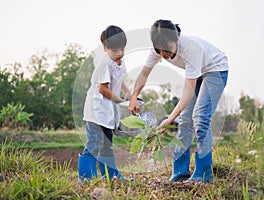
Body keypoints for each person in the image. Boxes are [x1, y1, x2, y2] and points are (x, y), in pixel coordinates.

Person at [129, 19, 228, 183]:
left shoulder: (190, 49)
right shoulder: (159, 48)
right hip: (198, 72)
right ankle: (180, 173)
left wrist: (170, 119)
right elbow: (144, 73)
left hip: (215, 70)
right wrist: (134, 96)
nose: (164, 54)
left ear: (176, 39)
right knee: (185, 121)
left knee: (200, 117)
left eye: (167, 49)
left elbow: (188, 92)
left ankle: (203, 174)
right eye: (159, 50)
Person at [78, 25, 131, 182]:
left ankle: (112, 176)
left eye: (122, 49)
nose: (119, 54)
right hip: (97, 110)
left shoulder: (120, 61)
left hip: (107, 110)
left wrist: (127, 91)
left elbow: (118, 79)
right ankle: (86, 177)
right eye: (115, 51)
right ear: (105, 48)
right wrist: (119, 99)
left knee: (107, 145)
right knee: (94, 143)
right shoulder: (105, 63)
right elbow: (102, 89)